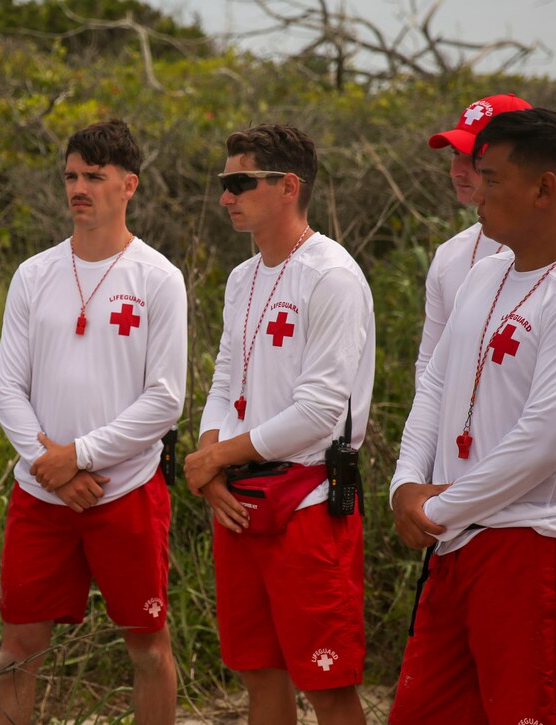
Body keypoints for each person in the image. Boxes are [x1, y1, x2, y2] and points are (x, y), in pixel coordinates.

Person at [388, 108, 556, 723]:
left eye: (492, 180)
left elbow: (540, 447)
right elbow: (436, 384)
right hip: (458, 539)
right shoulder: (486, 273)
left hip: (532, 548)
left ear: (544, 189)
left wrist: (435, 508)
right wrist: (404, 484)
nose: (477, 194)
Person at [0, 119, 186, 725]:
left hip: (123, 491)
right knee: (19, 647)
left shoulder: (158, 278)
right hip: (40, 492)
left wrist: (81, 456)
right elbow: (6, 388)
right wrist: (52, 467)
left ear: (129, 185)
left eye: (94, 177)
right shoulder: (34, 274)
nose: (79, 188)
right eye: (72, 176)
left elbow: (164, 399)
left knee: (147, 648)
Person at [184, 124, 375, 724]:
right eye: (224, 183)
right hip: (240, 499)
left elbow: (321, 412)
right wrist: (211, 457)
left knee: (327, 682)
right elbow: (225, 380)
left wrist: (217, 457)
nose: (226, 197)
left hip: (309, 499)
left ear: (288, 186)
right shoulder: (243, 278)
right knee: (259, 675)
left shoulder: (331, 275)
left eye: (239, 182)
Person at [416, 93, 556, 385]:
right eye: (454, 154)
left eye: (475, 157)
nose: (457, 170)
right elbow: (430, 367)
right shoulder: (451, 253)